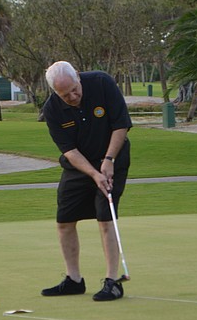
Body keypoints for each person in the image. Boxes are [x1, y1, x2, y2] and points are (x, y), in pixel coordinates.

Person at [40, 61, 132, 301]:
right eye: (65, 94)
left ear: (78, 77)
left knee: (104, 217)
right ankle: (74, 280)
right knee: (64, 220)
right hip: (79, 166)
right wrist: (93, 173)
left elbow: (121, 124)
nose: (73, 96)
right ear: (55, 93)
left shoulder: (101, 82)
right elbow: (69, 151)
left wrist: (109, 160)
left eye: (74, 89)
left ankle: (112, 281)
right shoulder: (52, 110)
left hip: (113, 157)